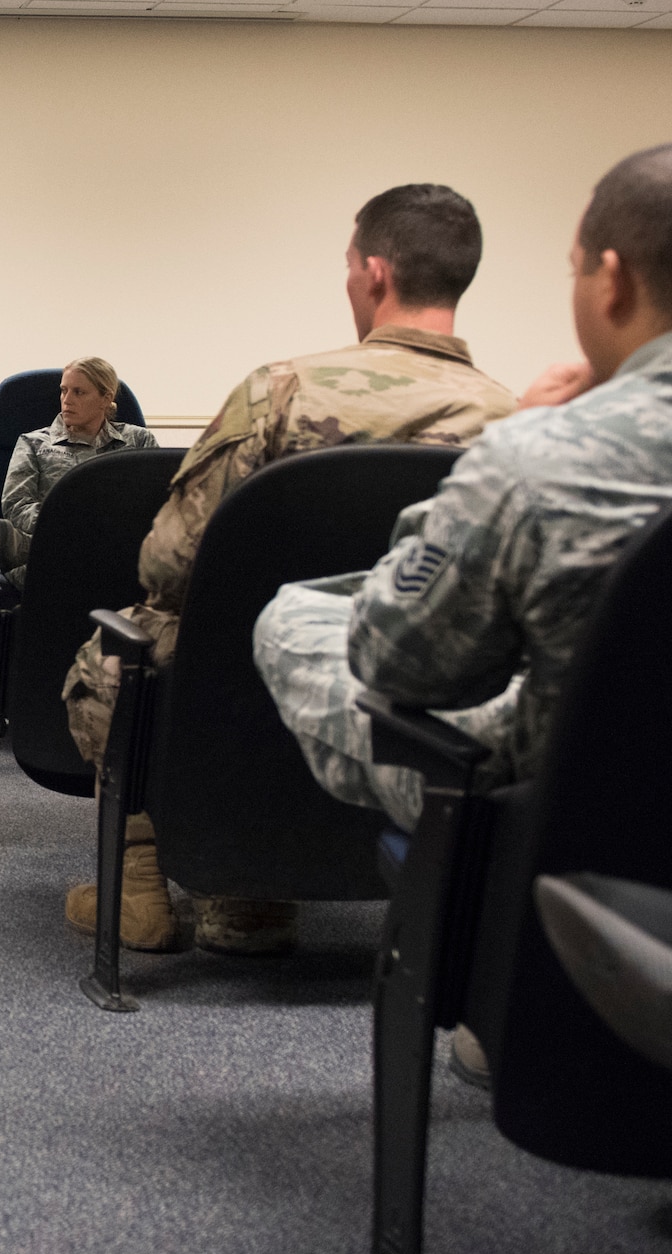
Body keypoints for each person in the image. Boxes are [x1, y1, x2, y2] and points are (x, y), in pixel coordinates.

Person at [254, 146, 672, 1079]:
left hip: (568, 815)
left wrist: (515, 448)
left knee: (293, 618)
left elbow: (403, 665)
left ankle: (514, 971)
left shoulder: (541, 456)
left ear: (611, 282)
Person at [60, 184, 517, 956]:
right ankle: (258, 898)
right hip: (427, 706)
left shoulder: (281, 394)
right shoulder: (516, 421)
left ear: (374, 273)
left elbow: (170, 560)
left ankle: (143, 874)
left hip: (252, 691)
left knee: (116, 655)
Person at [0, 358, 157, 587]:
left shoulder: (139, 441)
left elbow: (157, 502)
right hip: (51, 553)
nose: (67, 400)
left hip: (119, 552)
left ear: (106, 398)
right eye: (63, 391)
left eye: (79, 392)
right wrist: (71, 525)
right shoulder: (34, 443)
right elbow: (16, 504)